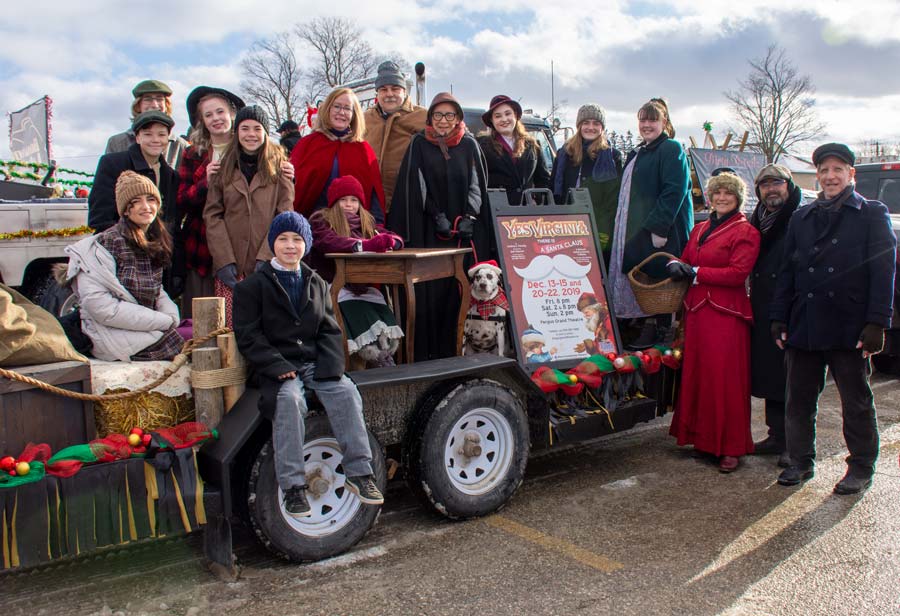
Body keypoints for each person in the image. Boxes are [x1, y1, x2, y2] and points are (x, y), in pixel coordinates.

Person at [233, 211, 384, 518]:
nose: (290, 246)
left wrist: (331, 369)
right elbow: (248, 335)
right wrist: (276, 365)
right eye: (283, 239)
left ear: (307, 244)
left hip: (315, 362)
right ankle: (293, 487)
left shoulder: (317, 282)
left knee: (345, 391)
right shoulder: (251, 287)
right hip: (278, 367)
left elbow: (329, 329)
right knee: (290, 401)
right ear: (273, 243)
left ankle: (359, 473)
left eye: (297, 239)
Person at [772, 143, 896, 495]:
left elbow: (883, 270)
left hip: (850, 324)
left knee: (856, 402)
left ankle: (861, 466)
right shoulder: (802, 217)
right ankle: (800, 461)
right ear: (817, 175)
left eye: (837, 170)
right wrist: (779, 317)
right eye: (824, 170)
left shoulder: (871, 213)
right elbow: (788, 271)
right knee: (798, 400)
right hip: (805, 321)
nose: (830, 177)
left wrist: (877, 322)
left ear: (850, 174)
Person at [667, 171, 760, 472]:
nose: (721, 198)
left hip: (726, 315)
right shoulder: (700, 228)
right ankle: (704, 441)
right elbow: (686, 258)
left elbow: (737, 274)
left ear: (738, 198)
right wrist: (675, 264)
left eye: (728, 193)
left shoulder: (746, 231)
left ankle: (731, 447)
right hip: (697, 312)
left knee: (725, 381)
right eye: (717, 192)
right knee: (700, 376)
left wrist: (696, 273)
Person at [387, 92, 490, 360]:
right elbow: (417, 186)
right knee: (429, 293)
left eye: (449, 115)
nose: (443, 120)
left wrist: (470, 217)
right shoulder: (419, 144)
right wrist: (436, 216)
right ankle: (427, 356)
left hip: (462, 234)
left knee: (459, 292)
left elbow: (476, 185)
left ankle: (459, 353)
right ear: (430, 117)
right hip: (430, 232)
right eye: (438, 115)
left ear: (457, 117)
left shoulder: (469, 145)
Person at [64, 171, 182, 362]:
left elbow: (157, 290)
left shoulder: (152, 240)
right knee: (189, 342)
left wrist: (170, 315)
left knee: (199, 334)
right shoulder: (107, 244)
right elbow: (101, 307)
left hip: (144, 326)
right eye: (136, 201)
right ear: (126, 210)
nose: (146, 207)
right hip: (110, 332)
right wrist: (164, 321)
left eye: (151, 199)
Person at [607, 98, 692, 350]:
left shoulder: (670, 148)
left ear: (664, 122)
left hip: (660, 228)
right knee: (643, 274)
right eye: (643, 120)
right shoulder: (640, 151)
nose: (646, 125)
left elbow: (674, 190)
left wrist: (659, 227)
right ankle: (642, 324)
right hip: (638, 226)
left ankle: (661, 328)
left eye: (652, 120)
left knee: (659, 276)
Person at [204, 105, 294, 325]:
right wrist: (224, 260)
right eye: (245, 128)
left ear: (265, 133)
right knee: (230, 326)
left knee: (266, 325)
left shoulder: (279, 169)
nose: (251, 134)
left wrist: (267, 256)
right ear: (237, 132)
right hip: (233, 263)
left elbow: (284, 215)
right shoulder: (223, 168)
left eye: (257, 128)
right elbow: (213, 215)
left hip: (265, 261)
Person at [307, 175, 404, 368]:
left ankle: (383, 354)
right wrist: (364, 245)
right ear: (334, 202)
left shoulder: (366, 222)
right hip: (330, 284)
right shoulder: (322, 220)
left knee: (377, 302)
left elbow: (392, 236)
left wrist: (393, 242)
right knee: (356, 307)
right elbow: (331, 242)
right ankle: (376, 357)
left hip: (359, 285)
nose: (349, 205)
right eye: (343, 200)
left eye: (354, 200)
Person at [89, 110, 182, 296]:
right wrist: (129, 246)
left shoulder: (171, 176)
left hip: (157, 262)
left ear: (168, 139)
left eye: (161, 135)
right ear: (137, 137)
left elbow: (171, 223)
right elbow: (100, 216)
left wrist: (176, 269)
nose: (155, 140)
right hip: (120, 260)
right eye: (148, 134)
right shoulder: (113, 163)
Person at [748, 164, 802, 467]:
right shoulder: (757, 219)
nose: (771, 189)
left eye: (777, 183)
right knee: (771, 374)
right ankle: (776, 435)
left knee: (793, 379)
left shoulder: (799, 217)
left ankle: (795, 443)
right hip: (763, 305)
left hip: (792, 307)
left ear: (788, 186)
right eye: (765, 184)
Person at [177, 86, 246, 317]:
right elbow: (181, 201)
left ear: (232, 114)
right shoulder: (193, 154)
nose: (216, 118)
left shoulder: (248, 148)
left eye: (220, 112)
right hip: (202, 249)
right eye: (209, 115)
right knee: (202, 316)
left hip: (240, 246)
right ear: (202, 121)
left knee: (238, 316)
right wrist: (204, 183)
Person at [291, 87, 386, 223]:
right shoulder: (307, 144)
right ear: (328, 109)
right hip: (314, 223)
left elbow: (374, 193)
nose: (341, 112)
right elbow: (293, 187)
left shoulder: (363, 149)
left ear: (354, 114)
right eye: (337, 106)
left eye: (347, 108)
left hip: (354, 226)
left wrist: (376, 224)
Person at [549, 104, 621, 261]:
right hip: (565, 225)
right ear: (579, 125)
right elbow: (553, 186)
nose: (591, 127)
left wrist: (603, 233)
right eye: (586, 123)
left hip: (596, 225)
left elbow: (612, 199)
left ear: (602, 127)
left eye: (596, 123)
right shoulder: (564, 152)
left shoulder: (611, 156)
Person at [363, 61, 427, 215]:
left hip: (409, 205)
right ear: (377, 94)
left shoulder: (422, 116)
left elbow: (453, 132)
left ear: (404, 91)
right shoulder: (364, 118)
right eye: (383, 89)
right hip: (371, 205)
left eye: (395, 88)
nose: (389, 94)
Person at [477, 94, 550, 207]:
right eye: (498, 116)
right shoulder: (482, 145)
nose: (504, 119)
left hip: (528, 210)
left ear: (515, 115)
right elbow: (478, 181)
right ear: (492, 120)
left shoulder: (532, 144)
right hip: (497, 210)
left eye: (508, 114)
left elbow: (543, 179)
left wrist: (537, 199)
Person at [105, 79, 186, 169]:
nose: (154, 105)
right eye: (148, 99)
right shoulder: (116, 143)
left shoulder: (181, 146)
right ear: (138, 105)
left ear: (166, 105)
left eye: (159, 99)